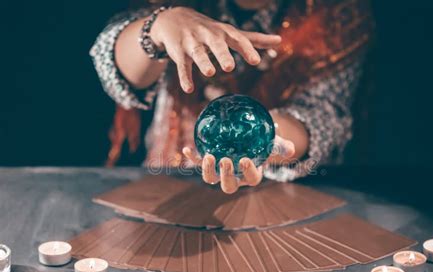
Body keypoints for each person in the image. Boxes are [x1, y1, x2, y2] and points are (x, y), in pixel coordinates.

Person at [91, 0, 372, 193]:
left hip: (287, 196)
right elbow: (118, 71)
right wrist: (157, 28)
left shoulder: (338, 15)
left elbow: (325, 115)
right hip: (171, 181)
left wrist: (270, 141)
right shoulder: (166, 3)